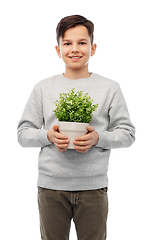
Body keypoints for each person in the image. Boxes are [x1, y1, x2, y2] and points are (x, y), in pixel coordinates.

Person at [17, 15, 135, 240]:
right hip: (51, 189)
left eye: (82, 42)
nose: (75, 49)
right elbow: (23, 133)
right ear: (57, 48)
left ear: (93, 48)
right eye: (67, 43)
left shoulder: (110, 88)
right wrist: (48, 136)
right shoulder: (43, 88)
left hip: (93, 189)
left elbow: (127, 133)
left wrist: (97, 138)